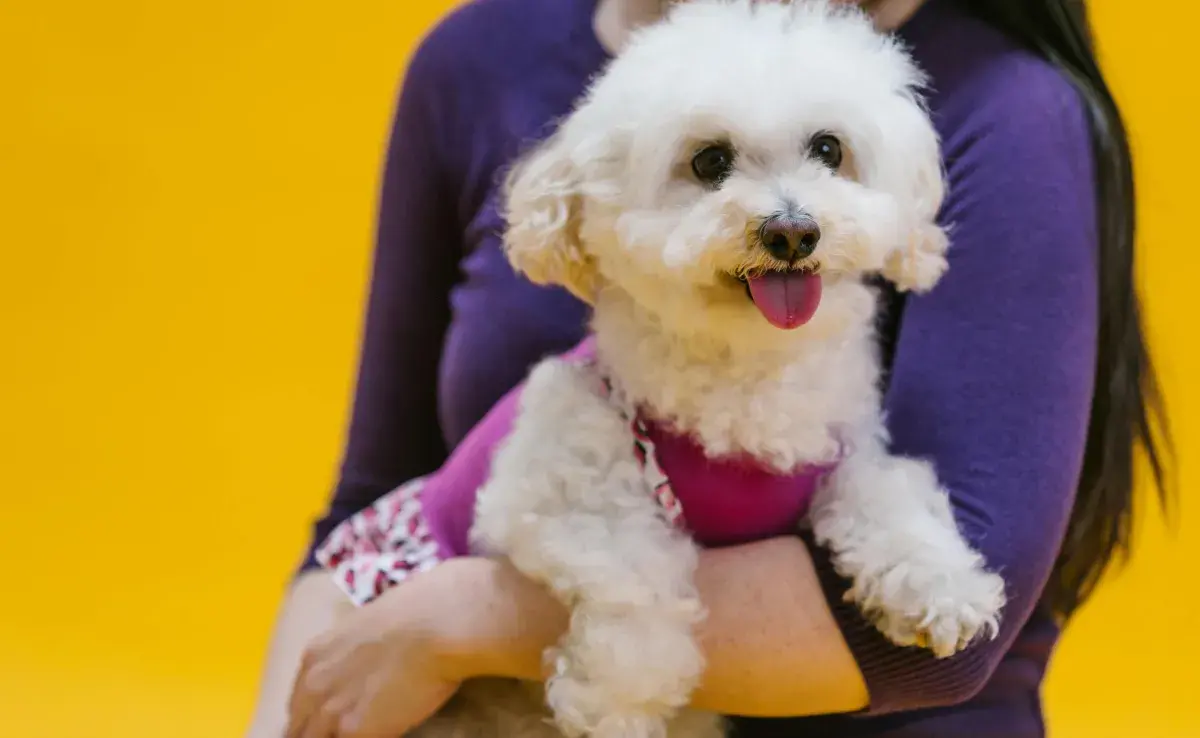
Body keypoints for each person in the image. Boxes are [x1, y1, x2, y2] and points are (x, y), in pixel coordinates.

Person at [247, 0, 1173, 736]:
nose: (786, 218)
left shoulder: (1004, 105)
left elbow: (943, 644)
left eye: (824, 157)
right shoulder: (476, 60)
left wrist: (463, 621)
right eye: (711, 164)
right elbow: (369, 505)